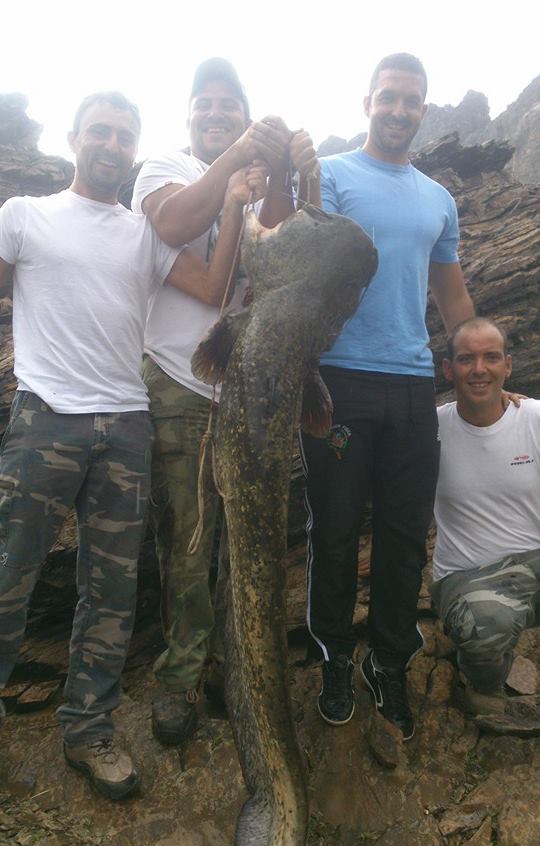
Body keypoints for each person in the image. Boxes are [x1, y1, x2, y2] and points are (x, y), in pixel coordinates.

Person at [0, 90, 265, 798]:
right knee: (9, 576)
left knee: (110, 593)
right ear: (74, 138)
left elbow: (212, 288)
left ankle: (89, 730)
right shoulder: (24, 216)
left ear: (136, 145)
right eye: (101, 133)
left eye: (124, 135)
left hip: (126, 422)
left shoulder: (144, 234)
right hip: (45, 418)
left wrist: (236, 203)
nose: (112, 145)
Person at [132, 58, 310, 747]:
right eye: (204, 105)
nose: (215, 115)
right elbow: (178, 228)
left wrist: (288, 178)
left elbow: (284, 261)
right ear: (189, 117)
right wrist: (238, 166)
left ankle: (228, 672)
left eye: (228, 107)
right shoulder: (163, 166)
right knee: (187, 537)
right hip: (179, 381)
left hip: (247, 390)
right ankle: (179, 677)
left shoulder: (260, 179)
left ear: (245, 112)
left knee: (245, 539)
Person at [298, 52, 475, 740]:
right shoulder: (334, 176)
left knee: (404, 536)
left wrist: (476, 373)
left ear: (424, 111)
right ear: (367, 101)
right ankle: (335, 656)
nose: (399, 111)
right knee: (336, 532)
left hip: (410, 385)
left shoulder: (439, 198)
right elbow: (323, 264)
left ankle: (389, 662)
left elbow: (450, 291)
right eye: (389, 98)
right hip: (339, 379)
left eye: (412, 101)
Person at [430, 318, 540, 733]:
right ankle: (483, 690)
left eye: (491, 357)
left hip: (534, 561)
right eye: (466, 359)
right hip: (468, 576)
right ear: (448, 370)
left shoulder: (533, 418)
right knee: (485, 625)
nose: (479, 369)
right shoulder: (430, 429)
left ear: (508, 366)